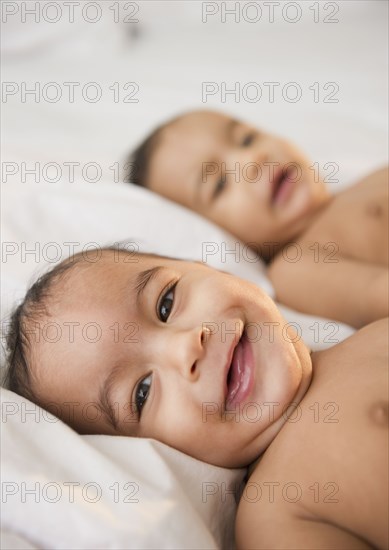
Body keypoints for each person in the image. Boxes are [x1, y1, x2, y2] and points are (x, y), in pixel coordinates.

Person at [5, 247, 388, 549]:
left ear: (212, 269)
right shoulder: (275, 514)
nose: (186, 348)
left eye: (166, 304)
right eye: (143, 392)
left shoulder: (374, 332)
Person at [127, 110, 388, 328]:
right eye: (219, 184)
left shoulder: (363, 184)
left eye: (247, 139)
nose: (253, 159)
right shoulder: (295, 269)